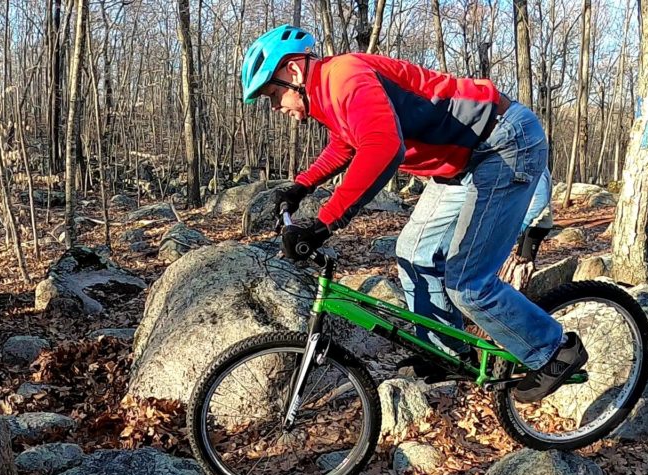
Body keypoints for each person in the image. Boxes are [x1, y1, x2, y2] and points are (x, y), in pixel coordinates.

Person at [240, 24, 586, 402]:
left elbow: (382, 147)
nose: (275, 107)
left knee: (467, 282)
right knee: (413, 251)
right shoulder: (329, 91)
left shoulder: (344, 77)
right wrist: (300, 186)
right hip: (460, 162)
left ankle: (555, 350)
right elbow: (346, 144)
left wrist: (325, 223)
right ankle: (445, 352)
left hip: (502, 144)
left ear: (293, 71)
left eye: (273, 94)